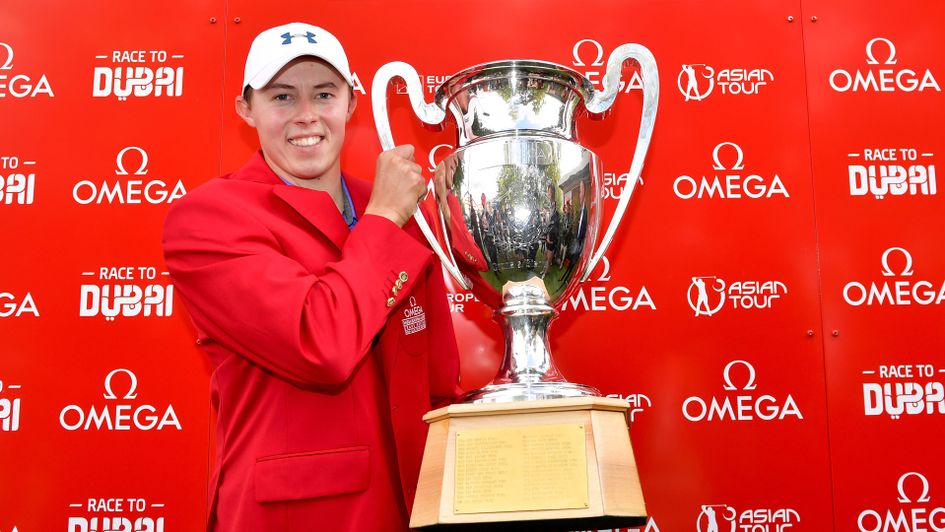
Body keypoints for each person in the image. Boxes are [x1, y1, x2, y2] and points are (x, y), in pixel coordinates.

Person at [162, 22, 461, 531]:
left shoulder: (399, 209)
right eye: (282, 96)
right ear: (246, 109)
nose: (306, 116)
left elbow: (438, 383)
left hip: (417, 506)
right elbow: (318, 343)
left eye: (324, 94)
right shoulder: (207, 217)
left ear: (350, 103)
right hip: (297, 515)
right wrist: (383, 220)